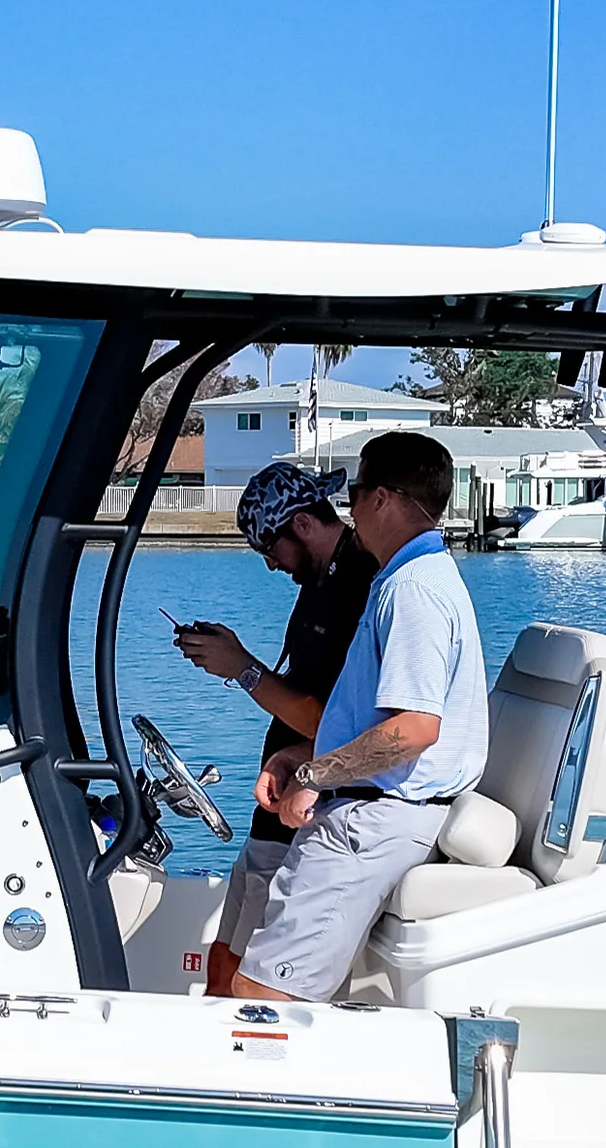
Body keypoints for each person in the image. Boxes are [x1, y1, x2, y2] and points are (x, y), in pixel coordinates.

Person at [217, 430, 484, 1004]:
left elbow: (416, 729)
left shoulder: (414, 590)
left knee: (262, 998)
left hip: (374, 818)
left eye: (355, 492)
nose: (349, 507)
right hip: (364, 810)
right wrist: (303, 757)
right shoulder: (402, 580)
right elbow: (374, 715)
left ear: (382, 498)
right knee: (250, 987)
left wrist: (316, 774)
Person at [172, 461, 374, 992]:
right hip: (278, 800)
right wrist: (233, 659)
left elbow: (331, 720)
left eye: (270, 548)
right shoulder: (320, 580)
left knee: (241, 979)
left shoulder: (358, 585)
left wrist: (241, 666)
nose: (270, 564)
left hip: (305, 809)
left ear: (302, 524)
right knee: (222, 961)